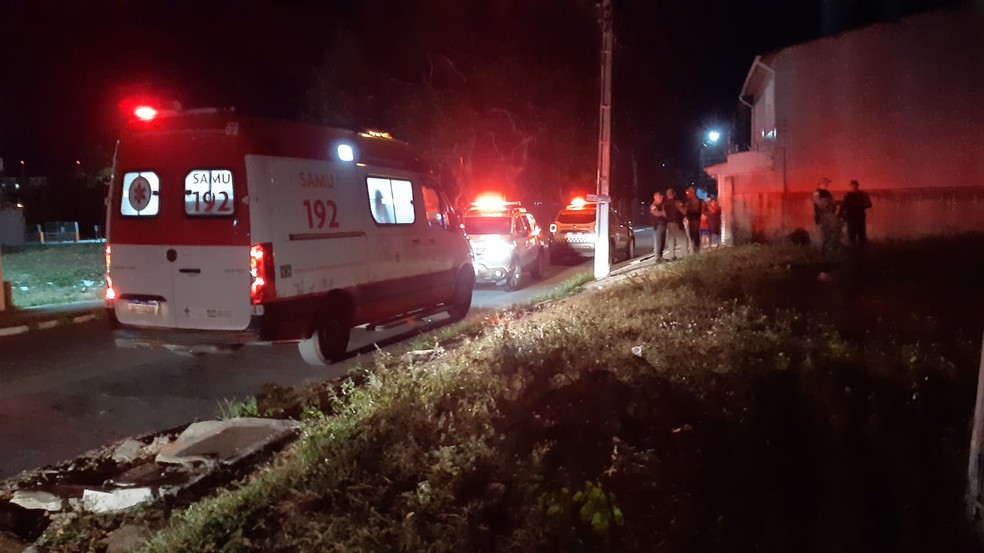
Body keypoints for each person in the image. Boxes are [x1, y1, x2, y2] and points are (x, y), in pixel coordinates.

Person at [838, 179, 872, 247]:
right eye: (852, 185)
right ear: (850, 186)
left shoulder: (863, 194)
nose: (853, 186)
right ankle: (854, 252)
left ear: (857, 185)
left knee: (861, 236)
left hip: (860, 218)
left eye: (855, 185)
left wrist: (859, 205)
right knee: (851, 237)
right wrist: (839, 215)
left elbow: (869, 204)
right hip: (851, 218)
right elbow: (843, 205)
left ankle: (862, 252)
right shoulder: (847, 194)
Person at [812, 177, 840, 254]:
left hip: (830, 215)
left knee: (832, 231)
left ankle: (830, 249)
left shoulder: (828, 193)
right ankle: (824, 250)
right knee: (824, 233)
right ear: (820, 184)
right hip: (822, 215)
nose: (827, 185)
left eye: (827, 183)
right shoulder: (816, 193)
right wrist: (829, 204)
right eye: (825, 183)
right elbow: (820, 204)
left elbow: (833, 203)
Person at [664, 188, 688, 259]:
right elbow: (684, 212)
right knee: (683, 239)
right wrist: (685, 207)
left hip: (669, 223)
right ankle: (684, 255)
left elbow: (664, 214)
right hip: (676, 223)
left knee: (671, 239)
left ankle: (671, 256)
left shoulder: (665, 204)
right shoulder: (677, 202)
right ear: (674, 194)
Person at [683, 187, 706, 253]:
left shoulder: (700, 202)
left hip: (696, 221)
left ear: (692, 193)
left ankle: (696, 250)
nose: (687, 195)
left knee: (695, 236)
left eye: (688, 193)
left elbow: (703, 212)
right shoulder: (688, 203)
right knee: (692, 236)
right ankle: (695, 250)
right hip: (690, 221)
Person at [649, 191, 668, 262]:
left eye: (661, 197)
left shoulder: (661, 205)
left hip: (663, 224)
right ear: (655, 198)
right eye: (659, 197)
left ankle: (660, 257)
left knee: (662, 241)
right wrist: (662, 213)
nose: (661, 199)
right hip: (658, 225)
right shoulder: (653, 205)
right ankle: (657, 258)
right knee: (658, 242)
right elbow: (655, 213)